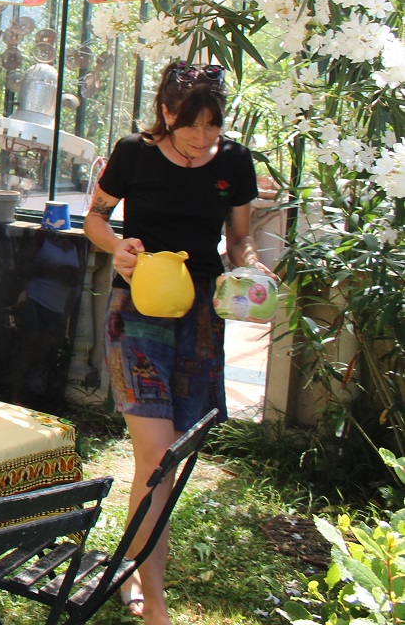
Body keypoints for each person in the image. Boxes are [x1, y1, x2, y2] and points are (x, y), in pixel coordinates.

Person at [82, 59, 274, 625]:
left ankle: (128, 566)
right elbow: (95, 216)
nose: (203, 138)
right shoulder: (133, 153)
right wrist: (113, 247)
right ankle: (154, 599)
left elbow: (239, 241)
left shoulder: (235, 162)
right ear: (166, 113)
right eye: (193, 125)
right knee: (156, 454)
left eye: (214, 126)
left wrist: (256, 270)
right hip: (136, 311)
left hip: (200, 319)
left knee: (166, 461)